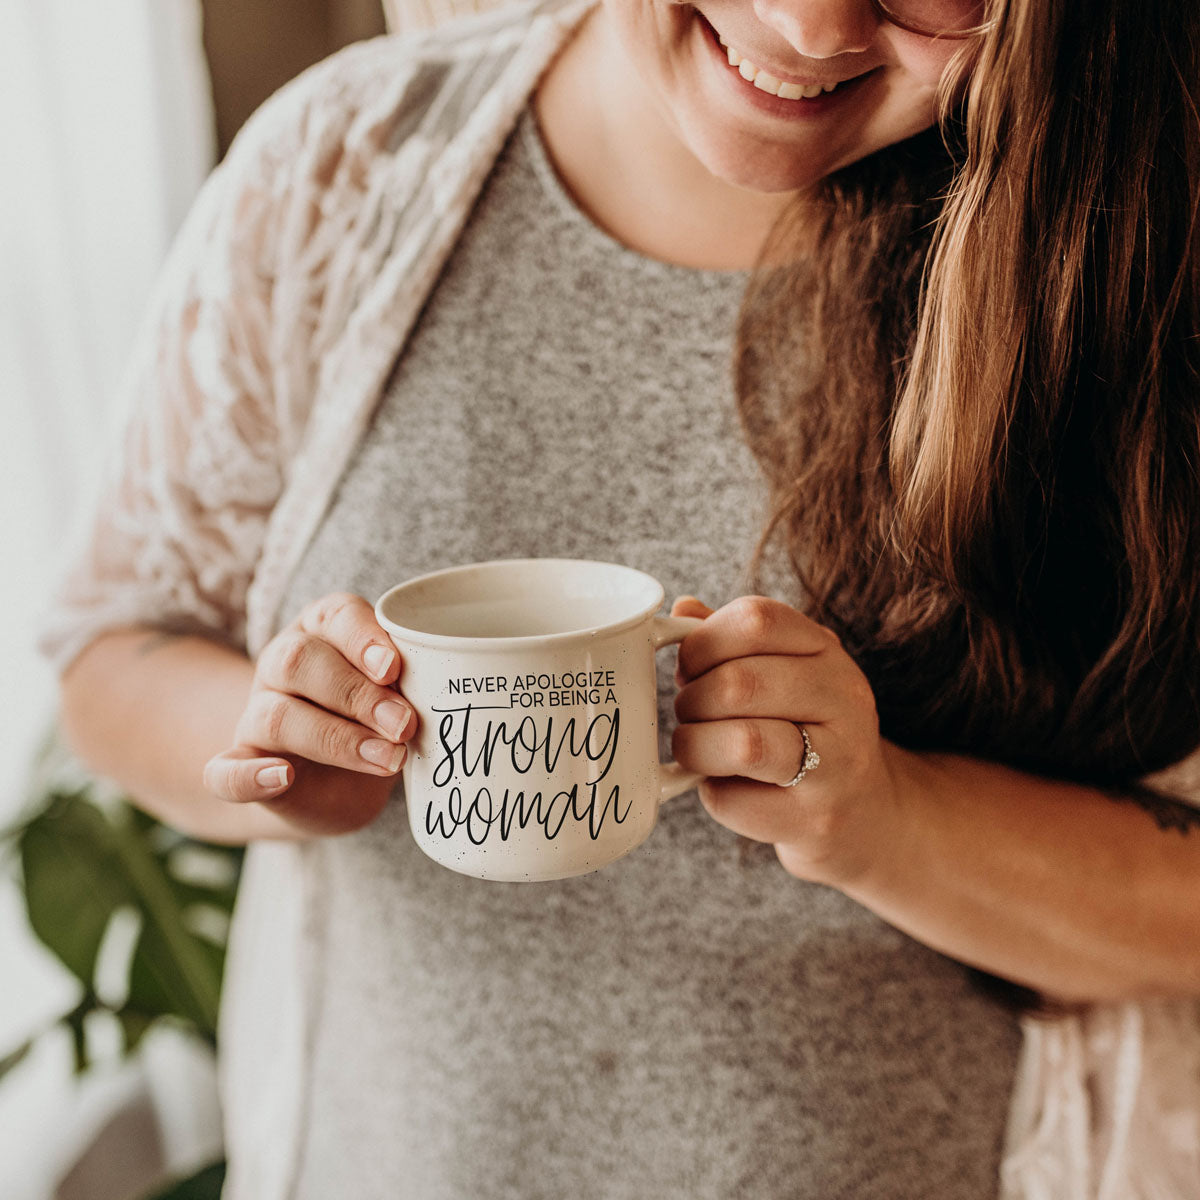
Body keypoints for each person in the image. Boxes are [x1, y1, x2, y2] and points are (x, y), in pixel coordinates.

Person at [40, 0, 1200, 1195]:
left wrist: (890, 820)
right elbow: (112, 645)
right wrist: (281, 751)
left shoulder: (1125, 250)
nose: (808, 28)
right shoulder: (348, 169)